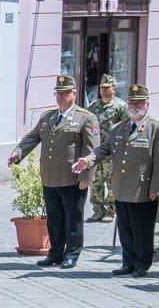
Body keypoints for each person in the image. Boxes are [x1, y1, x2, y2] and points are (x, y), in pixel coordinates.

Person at [72, 84, 159, 278]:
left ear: (147, 105)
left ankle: (142, 263)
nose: (135, 106)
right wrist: (87, 160)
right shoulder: (120, 128)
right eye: (132, 102)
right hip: (121, 187)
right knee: (125, 228)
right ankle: (128, 262)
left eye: (139, 103)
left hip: (143, 189)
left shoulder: (158, 129)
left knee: (142, 229)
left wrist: (156, 188)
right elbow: (103, 149)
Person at [8, 74, 101, 269]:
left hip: (72, 178)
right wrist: (18, 152)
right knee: (54, 219)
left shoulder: (86, 118)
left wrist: (86, 177)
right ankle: (55, 253)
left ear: (74, 94)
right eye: (58, 93)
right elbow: (33, 136)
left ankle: (72, 254)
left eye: (64, 93)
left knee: (72, 219)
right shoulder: (48, 116)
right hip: (50, 177)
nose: (60, 97)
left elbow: (91, 151)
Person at [85, 73, 128, 223]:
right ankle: (97, 210)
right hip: (97, 150)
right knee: (95, 181)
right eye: (102, 87)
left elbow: (126, 127)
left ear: (113, 88)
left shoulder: (120, 106)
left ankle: (110, 210)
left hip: (112, 151)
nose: (103, 90)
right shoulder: (93, 106)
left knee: (111, 181)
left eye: (107, 87)